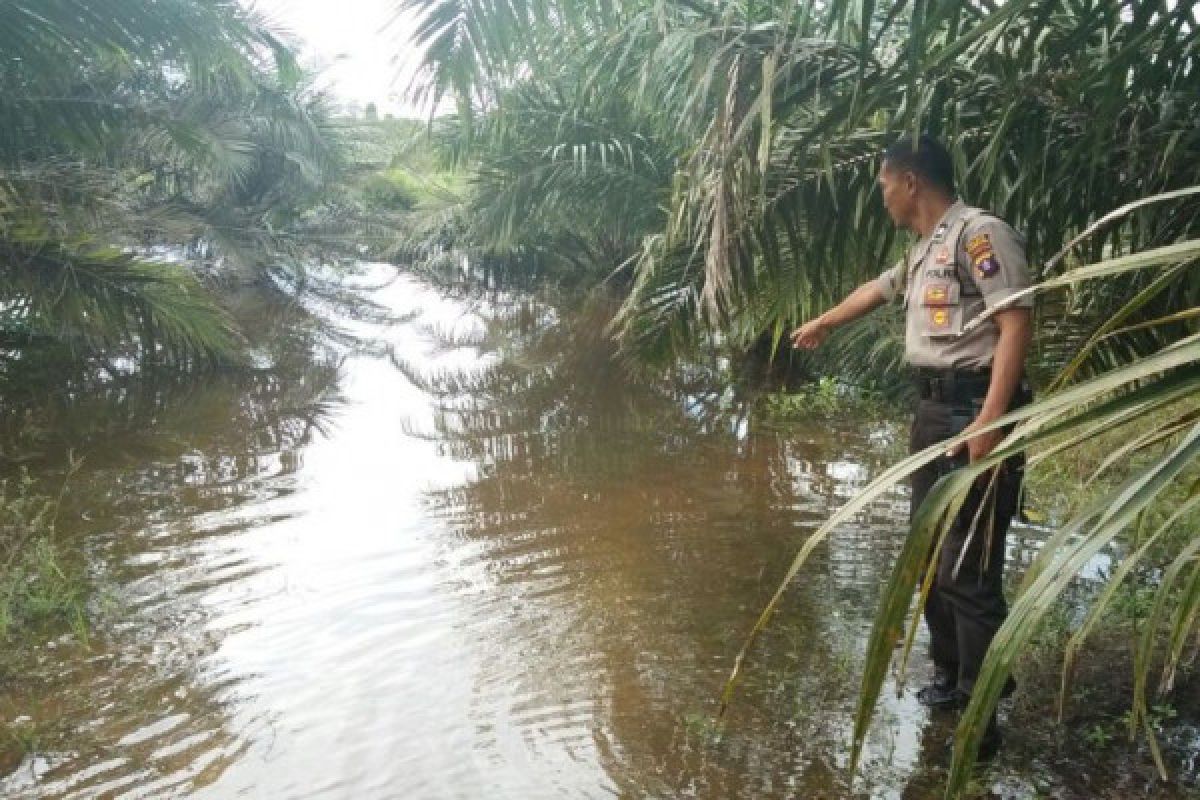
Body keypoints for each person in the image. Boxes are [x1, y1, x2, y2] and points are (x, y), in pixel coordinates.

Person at [791, 134, 1033, 757]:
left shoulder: (980, 235)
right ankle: (955, 679)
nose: (882, 197)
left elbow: (1015, 323)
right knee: (928, 558)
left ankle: (983, 717)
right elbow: (876, 290)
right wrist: (824, 321)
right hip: (931, 413)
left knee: (969, 567)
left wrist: (990, 420)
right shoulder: (927, 247)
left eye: (883, 185)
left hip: (972, 409)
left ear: (911, 183)